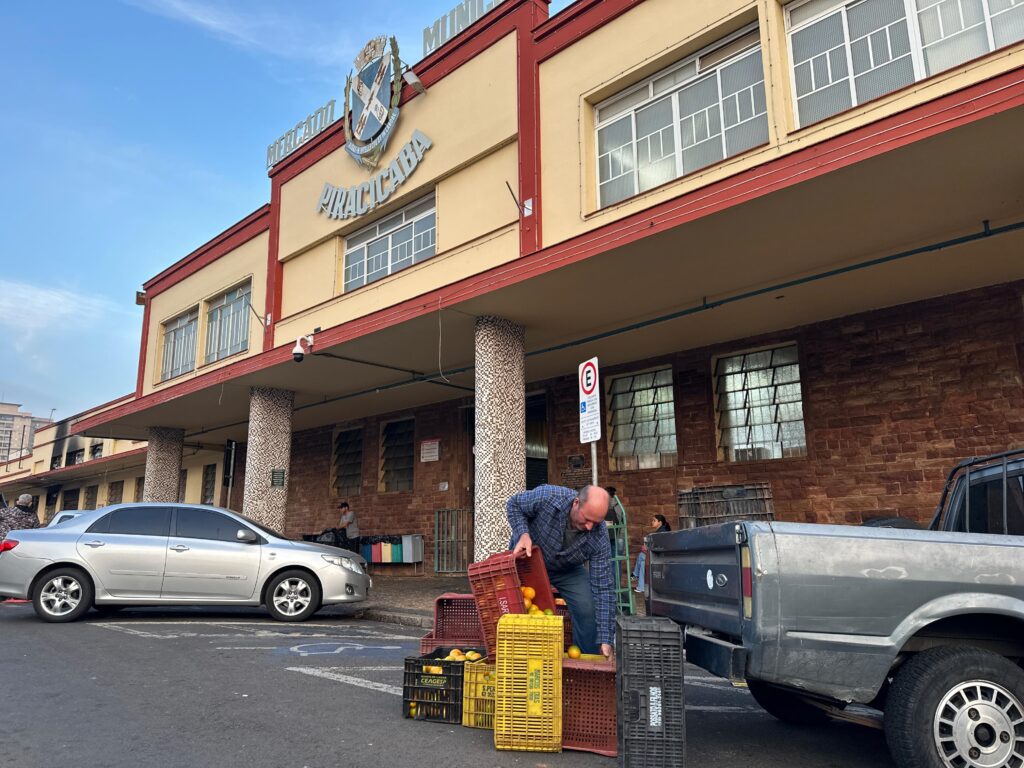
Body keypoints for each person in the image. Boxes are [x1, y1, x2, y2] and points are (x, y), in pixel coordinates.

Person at [507, 484, 614, 659]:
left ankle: (586, 662)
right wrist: (522, 533)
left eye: (596, 522)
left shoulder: (599, 535)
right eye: (587, 519)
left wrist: (606, 638)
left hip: (566, 569)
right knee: (521, 607)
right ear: (576, 503)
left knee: (588, 607)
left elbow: (603, 587)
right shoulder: (549, 497)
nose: (589, 527)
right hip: (528, 561)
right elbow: (514, 504)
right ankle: (520, 657)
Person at [633, 514, 671, 593]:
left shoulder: (661, 532)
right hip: (657, 554)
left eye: (654, 520)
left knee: (641, 556)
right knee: (643, 563)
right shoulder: (660, 531)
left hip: (660, 556)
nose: (652, 522)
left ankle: (635, 575)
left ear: (659, 522)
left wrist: (647, 548)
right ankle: (640, 587)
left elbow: (659, 547)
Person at [604, 486, 620, 558]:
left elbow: (615, 522)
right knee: (616, 558)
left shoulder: (610, 506)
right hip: (615, 535)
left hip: (611, 536)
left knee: (612, 558)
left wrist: (605, 523)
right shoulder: (618, 505)